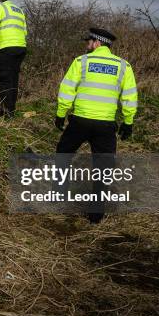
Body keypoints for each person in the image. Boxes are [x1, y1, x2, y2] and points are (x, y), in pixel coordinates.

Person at [54, 28, 138, 223]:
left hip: (80, 121)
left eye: (89, 41)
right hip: (106, 125)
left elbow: (67, 89)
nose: (87, 45)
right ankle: (96, 214)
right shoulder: (123, 66)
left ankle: (59, 195)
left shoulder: (81, 62)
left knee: (63, 153)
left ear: (97, 43)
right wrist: (128, 121)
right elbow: (129, 96)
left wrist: (60, 114)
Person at [0, 0, 28, 118]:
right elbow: (25, 31)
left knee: (4, 80)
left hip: (6, 47)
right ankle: (11, 110)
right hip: (21, 48)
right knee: (13, 80)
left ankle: (7, 112)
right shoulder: (18, 10)